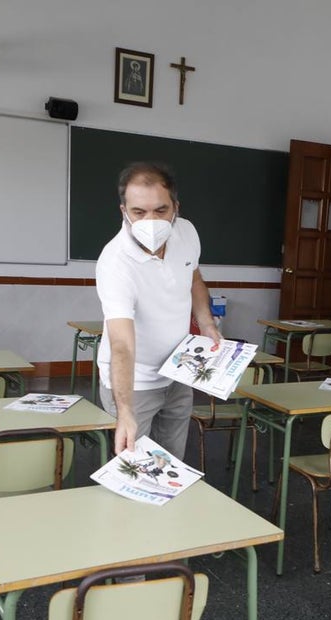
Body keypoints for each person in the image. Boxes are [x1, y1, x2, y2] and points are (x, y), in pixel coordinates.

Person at [95, 161, 221, 459]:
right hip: (134, 384)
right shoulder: (115, 263)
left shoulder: (186, 232)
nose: (151, 220)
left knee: (170, 462)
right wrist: (124, 411)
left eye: (160, 210)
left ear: (175, 206)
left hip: (178, 372)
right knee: (134, 472)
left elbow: (194, 278)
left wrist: (206, 324)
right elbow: (122, 344)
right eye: (139, 212)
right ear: (123, 210)